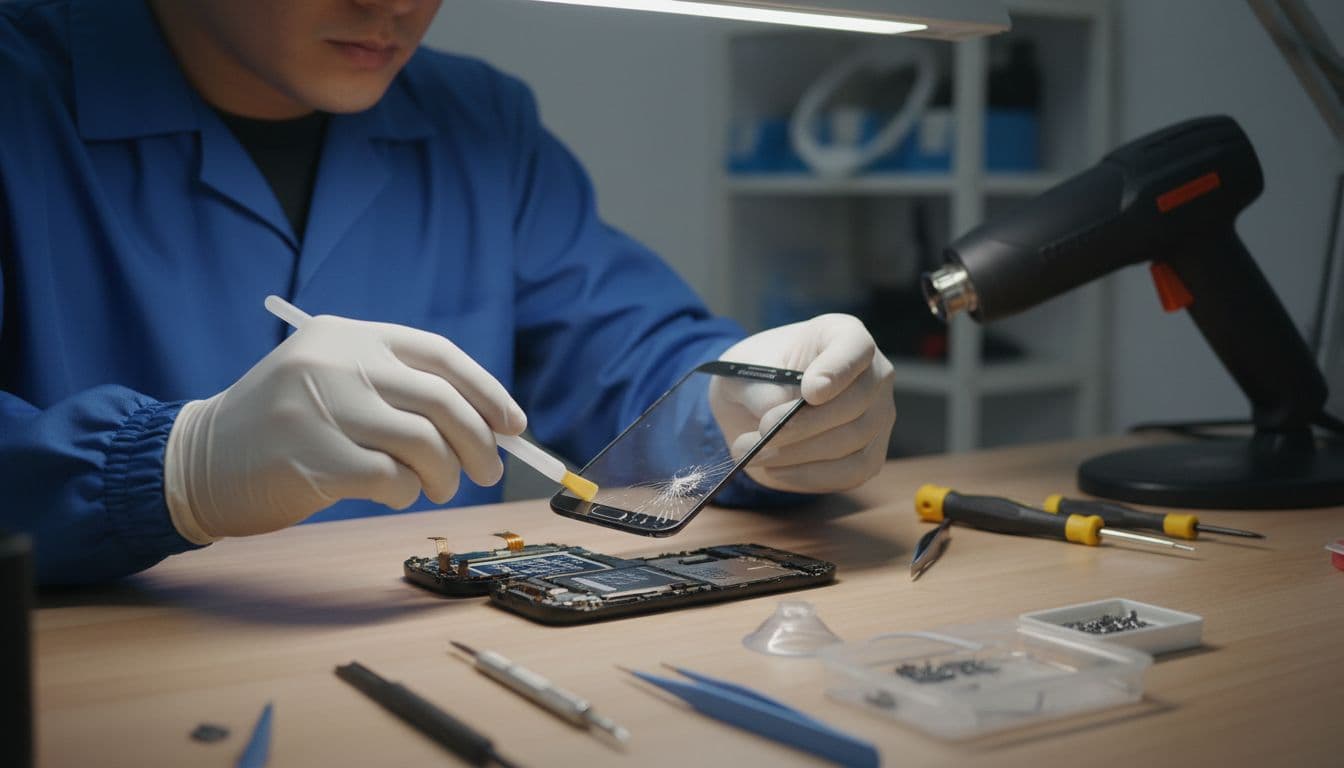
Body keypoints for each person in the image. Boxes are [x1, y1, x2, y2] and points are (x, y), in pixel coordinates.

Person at [0, 0, 897, 585]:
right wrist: (169, 471)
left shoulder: (479, 123)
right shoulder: (21, 93)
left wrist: (743, 418)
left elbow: (626, 354)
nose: (394, 7)